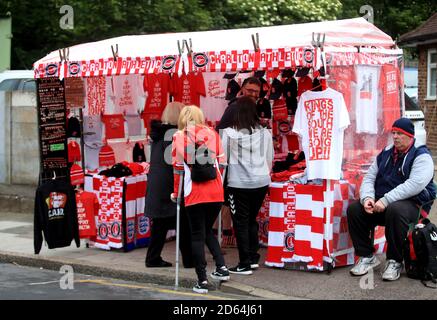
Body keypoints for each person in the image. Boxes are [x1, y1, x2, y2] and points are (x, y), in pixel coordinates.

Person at [347, 117, 435, 281]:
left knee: (396, 210)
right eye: (393, 133)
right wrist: (367, 198)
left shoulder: (421, 155)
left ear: (410, 136)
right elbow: (370, 178)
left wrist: (386, 200)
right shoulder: (386, 153)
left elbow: (414, 185)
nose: (395, 137)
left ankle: (395, 260)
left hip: (414, 205)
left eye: (399, 134)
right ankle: (367, 256)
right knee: (355, 209)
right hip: (383, 203)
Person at [171, 105, 229, 294]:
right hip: (215, 192)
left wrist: (175, 193)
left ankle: (202, 280)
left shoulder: (179, 137)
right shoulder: (212, 134)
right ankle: (221, 267)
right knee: (206, 230)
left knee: (197, 234)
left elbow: (178, 169)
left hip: (194, 192)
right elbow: (222, 164)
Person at [221, 96, 273, 275]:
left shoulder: (228, 133)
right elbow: (269, 159)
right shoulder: (265, 133)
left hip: (238, 183)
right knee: (251, 219)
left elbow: (223, 160)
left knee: (241, 222)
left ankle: (244, 263)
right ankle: (252, 257)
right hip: (261, 182)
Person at [144, 102, 193, 268]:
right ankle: (188, 260)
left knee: (162, 224)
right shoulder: (174, 135)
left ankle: (153, 258)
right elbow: (180, 161)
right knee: (182, 223)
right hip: (169, 184)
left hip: (158, 183)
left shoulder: (158, 134)